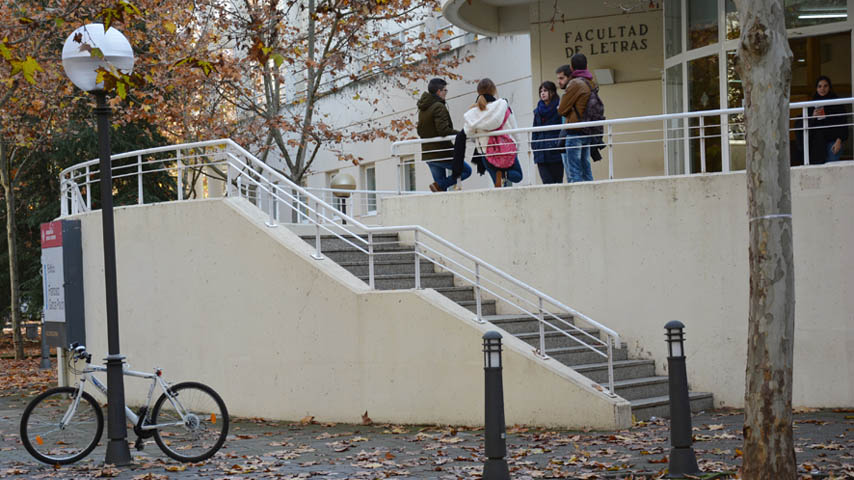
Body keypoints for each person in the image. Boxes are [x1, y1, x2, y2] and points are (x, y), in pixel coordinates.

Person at [463, 78, 524, 187]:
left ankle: (500, 175)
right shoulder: (503, 106)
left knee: (498, 186)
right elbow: (514, 129)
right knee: (518, 176)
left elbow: (469, 133)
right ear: (494, 90)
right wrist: (517, 146)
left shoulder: (474, 112)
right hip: (507, 149)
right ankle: (504, 174)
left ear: (478, 92)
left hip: (486, 152)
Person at [416, 78, 472, 192]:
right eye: (445, 90)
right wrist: (462, 134)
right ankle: (439, 185)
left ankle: (439, 186)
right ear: (438, 91)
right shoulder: (438, 106)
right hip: (441, 153)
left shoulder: (423, 108)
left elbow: (420, 131)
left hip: (428, 154)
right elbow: (443, 130)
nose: (446, 93)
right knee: (466, 171)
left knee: (441, 193)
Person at [556, 54, 596, 182]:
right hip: (587, 130)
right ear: (586, 66)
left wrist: (567, 109)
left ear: (572, 68)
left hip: (575, 131)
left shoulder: (575, 83)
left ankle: (578, 200)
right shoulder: (590, 82)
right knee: (586, 169)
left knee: (574, 172)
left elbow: (561, 110)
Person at [806, 75, 849, 164]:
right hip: (817, 145)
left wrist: (839, 141)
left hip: (833, 143)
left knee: (831, 170)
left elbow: (843, 123)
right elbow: (807, 126)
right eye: (819, 86)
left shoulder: (837, 103)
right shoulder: (812, 104)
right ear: (816, 88)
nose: (822, 89)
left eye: (825, 86)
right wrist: (812, 116)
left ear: (830, 87)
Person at [532, 81, 565, 184]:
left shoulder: (560, 108)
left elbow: (562, 128)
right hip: (541, 153)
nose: (543, 93)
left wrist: (558, 143)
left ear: (553, 92)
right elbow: (535, 130)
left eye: (545, 90)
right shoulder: (537, 111)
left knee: (557, 182)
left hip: (556, 151)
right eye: (541, 91)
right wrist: (535, 145)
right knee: (546, 183)